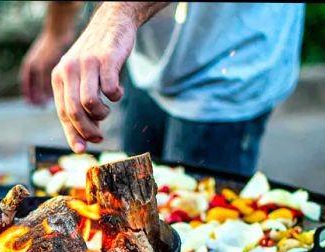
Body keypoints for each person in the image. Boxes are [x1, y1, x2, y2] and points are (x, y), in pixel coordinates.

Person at [20, 2, 304, 176]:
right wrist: (57, 30)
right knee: (131, 203)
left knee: (197, 235)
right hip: (144, 51)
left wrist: (119, 11)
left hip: (227, 58)